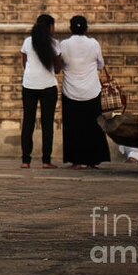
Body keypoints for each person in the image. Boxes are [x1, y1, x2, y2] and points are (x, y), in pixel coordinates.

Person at [60, 15, 110, 169]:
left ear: (70, 28)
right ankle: (92, 161)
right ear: (86, 28)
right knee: (93, 127)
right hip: (92, 91)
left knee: (73, 127)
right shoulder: (93, 43)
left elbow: (60, 64)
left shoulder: (63, 44)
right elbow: (100, 64)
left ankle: (75, 161)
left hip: (70, 91)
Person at [20, 14, 61, 169]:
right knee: (47, 124)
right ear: (49, 26)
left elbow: (25, 63)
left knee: (28, 122)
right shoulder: (55, 44)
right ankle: (46, 161)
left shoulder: (27, 42)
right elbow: (57, 70)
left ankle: (25, 160)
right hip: (48, 87)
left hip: (29, 85)